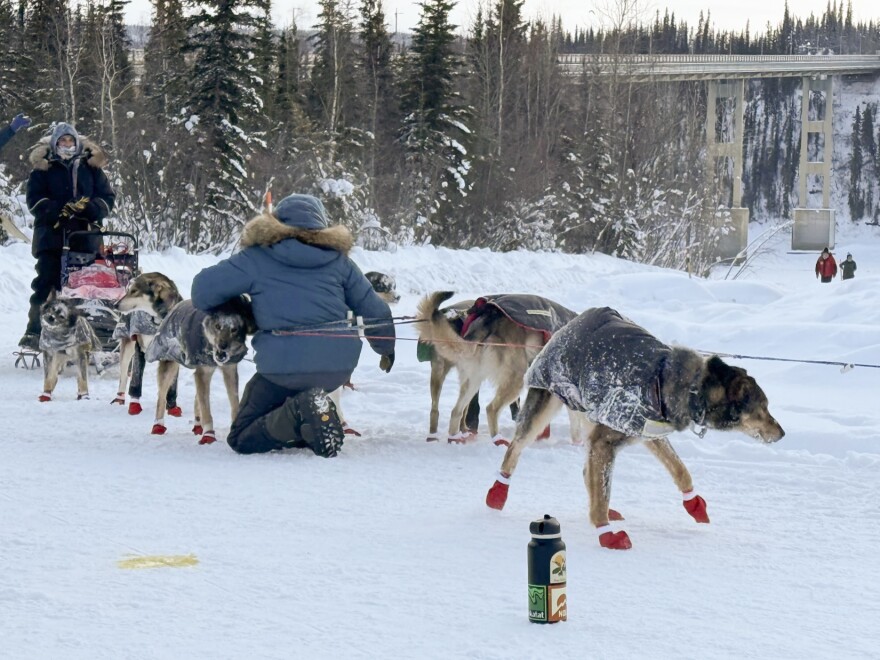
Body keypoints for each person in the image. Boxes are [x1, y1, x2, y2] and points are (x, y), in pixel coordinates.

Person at [191, 193, 396, 458]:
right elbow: (375, 310)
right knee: (287, 409)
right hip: (336, 369)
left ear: (276, 222)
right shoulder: (340, 262)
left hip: (281, 370)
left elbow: (202, 292)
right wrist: (385, 349)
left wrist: (238, 303)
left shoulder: (257, 258)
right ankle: (310, 420)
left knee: (241, 436)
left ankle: (300, 410)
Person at [18, 123, 116, 350]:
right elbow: (34, 199)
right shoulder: (44, 168)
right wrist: (57, 210)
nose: (67, 144)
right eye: (63, 140)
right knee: (46, 284)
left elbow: (107, 198)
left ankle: (89, 332)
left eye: (70, 140)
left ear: (77, 143)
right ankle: (34, 331)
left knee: (86, 286)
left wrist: (90, 208)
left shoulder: (91, 168)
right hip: (51, 237)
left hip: (86, 237)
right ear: (55, 143)